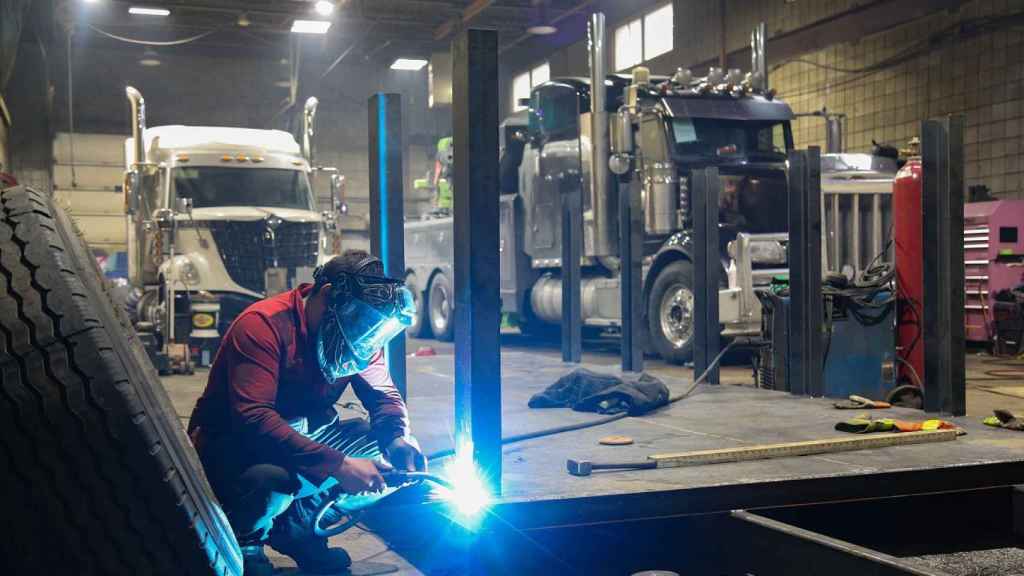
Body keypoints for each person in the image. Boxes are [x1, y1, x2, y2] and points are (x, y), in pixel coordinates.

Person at [187, 250, 426, 576]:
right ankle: (246, 542)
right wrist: (338, 465)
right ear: (327, 296)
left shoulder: (357, 338)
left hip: (299, 435)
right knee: (271, 480)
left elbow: (383, 394)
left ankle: (299, 528)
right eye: (360, 321)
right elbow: (253, 418)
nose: (365, 336)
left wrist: (397, 438)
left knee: (390, 460)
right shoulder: (263, 325)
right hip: (233, 447)